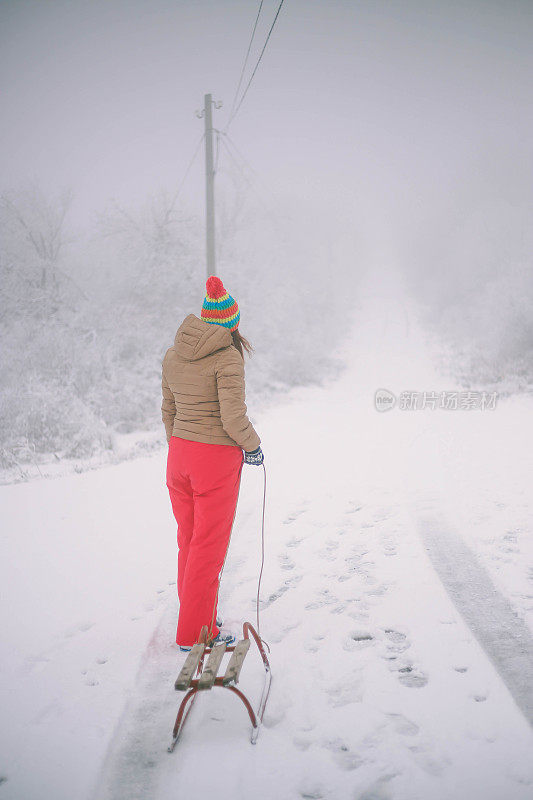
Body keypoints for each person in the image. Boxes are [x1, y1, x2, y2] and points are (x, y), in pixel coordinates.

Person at [162, 275, 264, 651]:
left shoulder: (173, 354)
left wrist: (180, 444)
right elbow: (232, 418)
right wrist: (252, 447)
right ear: (231, 322)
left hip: (179, 455)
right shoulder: (228, 357)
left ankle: (196, 614)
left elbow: (168, 410)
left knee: (188, 540)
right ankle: (195, 633)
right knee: (208, 545)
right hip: (214, 460)